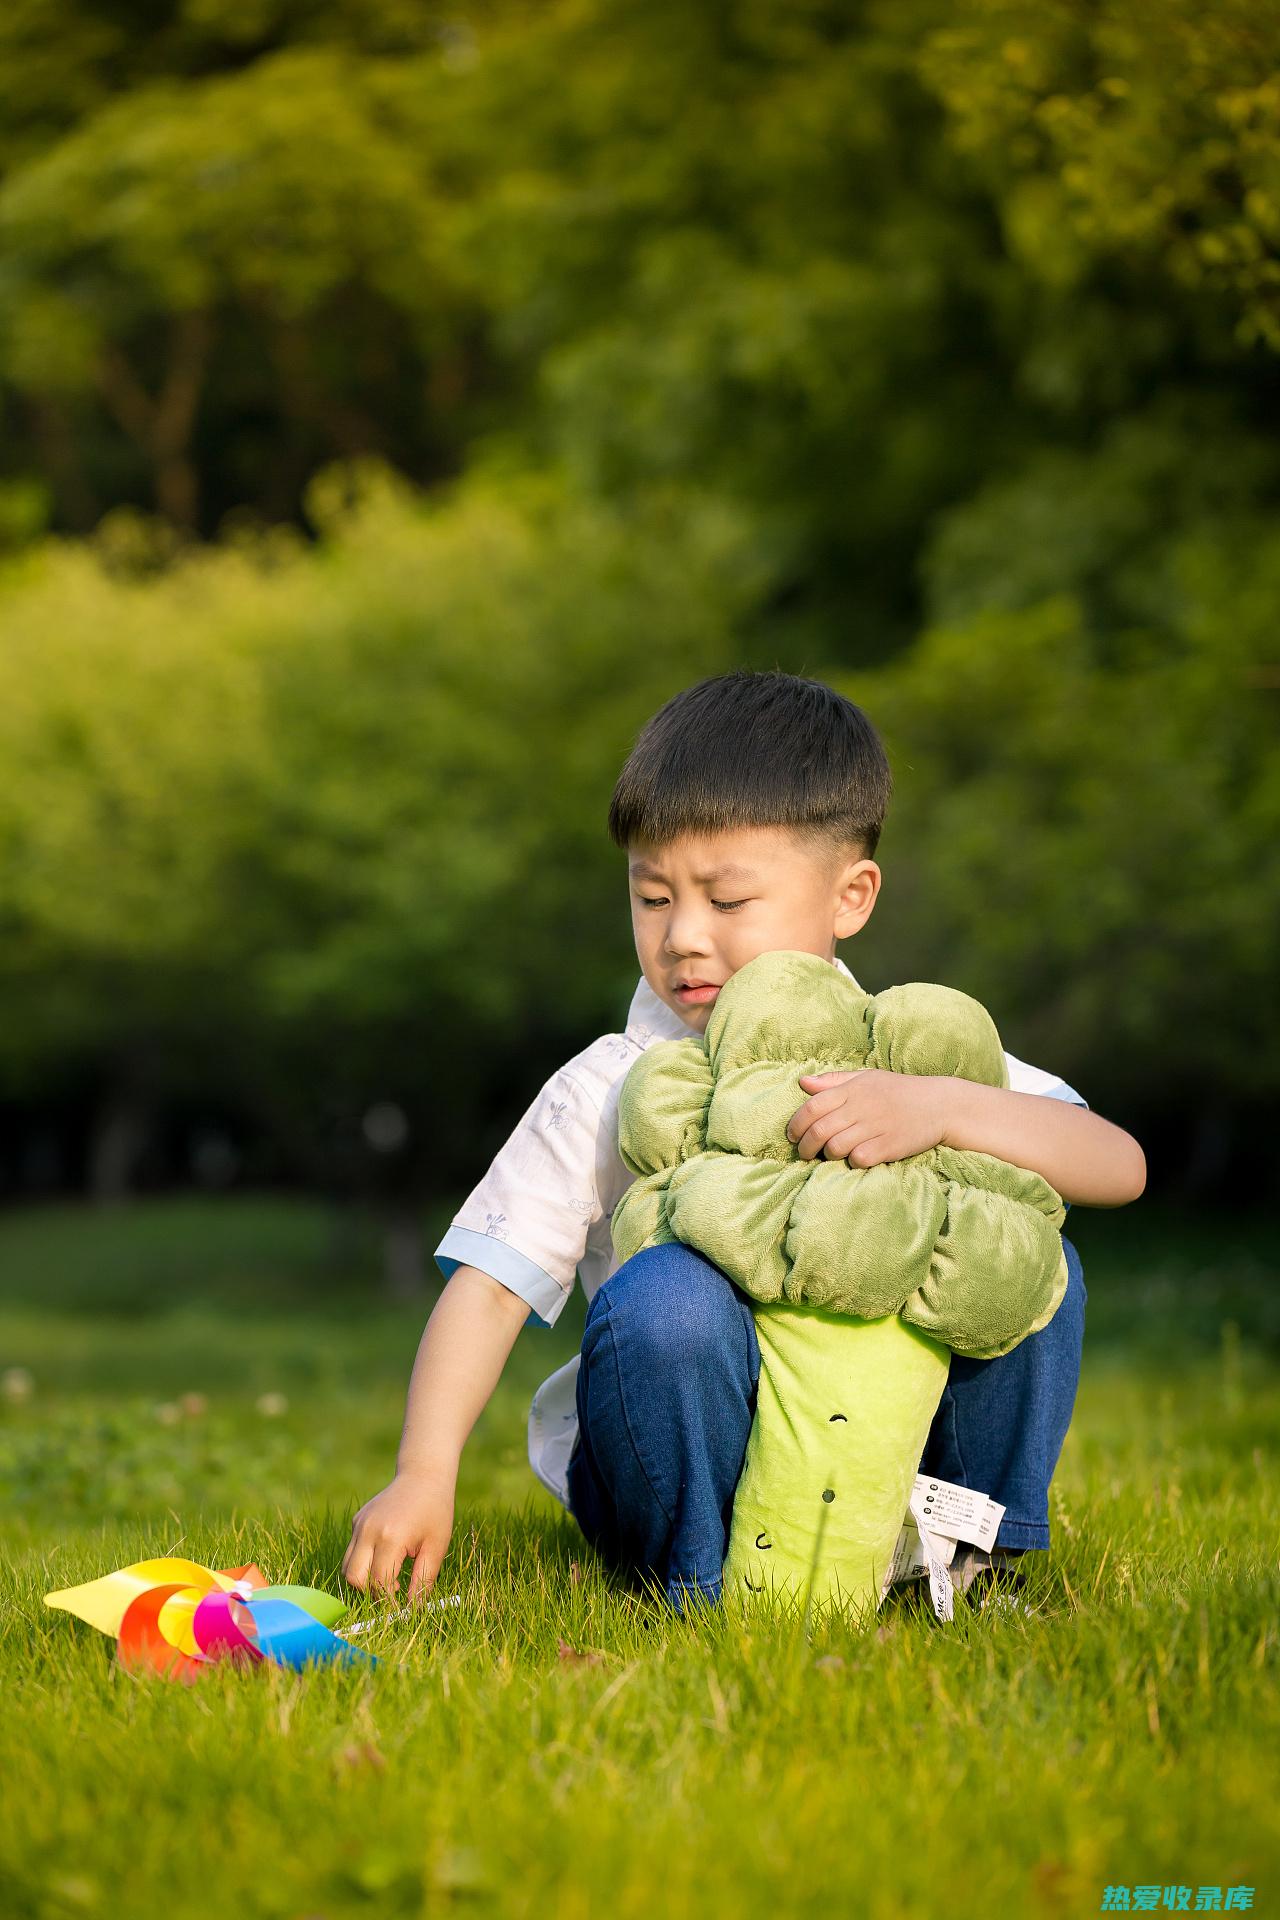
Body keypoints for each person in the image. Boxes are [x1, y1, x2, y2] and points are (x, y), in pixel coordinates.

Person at [342, 670, 1146, 1615]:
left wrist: (941, 1107)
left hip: (877, 1460)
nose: (682, 937)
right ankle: (702, 1593)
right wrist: (422, 1473)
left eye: (727, 903)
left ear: (850, 898)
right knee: (667, 1297)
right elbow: (488, 1288)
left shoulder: (904, 1050)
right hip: (676, 1478)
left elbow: (1117, 1165)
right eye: (651, 899)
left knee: (1031, 1259)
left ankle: (961, 1563)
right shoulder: (610, 1083)